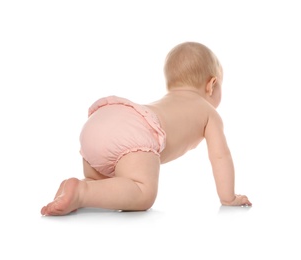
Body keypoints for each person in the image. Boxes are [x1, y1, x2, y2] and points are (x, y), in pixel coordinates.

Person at [41, 42, 252, 216]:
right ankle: (80, 192)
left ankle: (75, 190)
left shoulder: (168, 101)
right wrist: (229, 197)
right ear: (212, 85)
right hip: (135, 130)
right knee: (142, 191)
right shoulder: (208, 112)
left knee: (107, 184)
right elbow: (220, 157)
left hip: (102, 119)